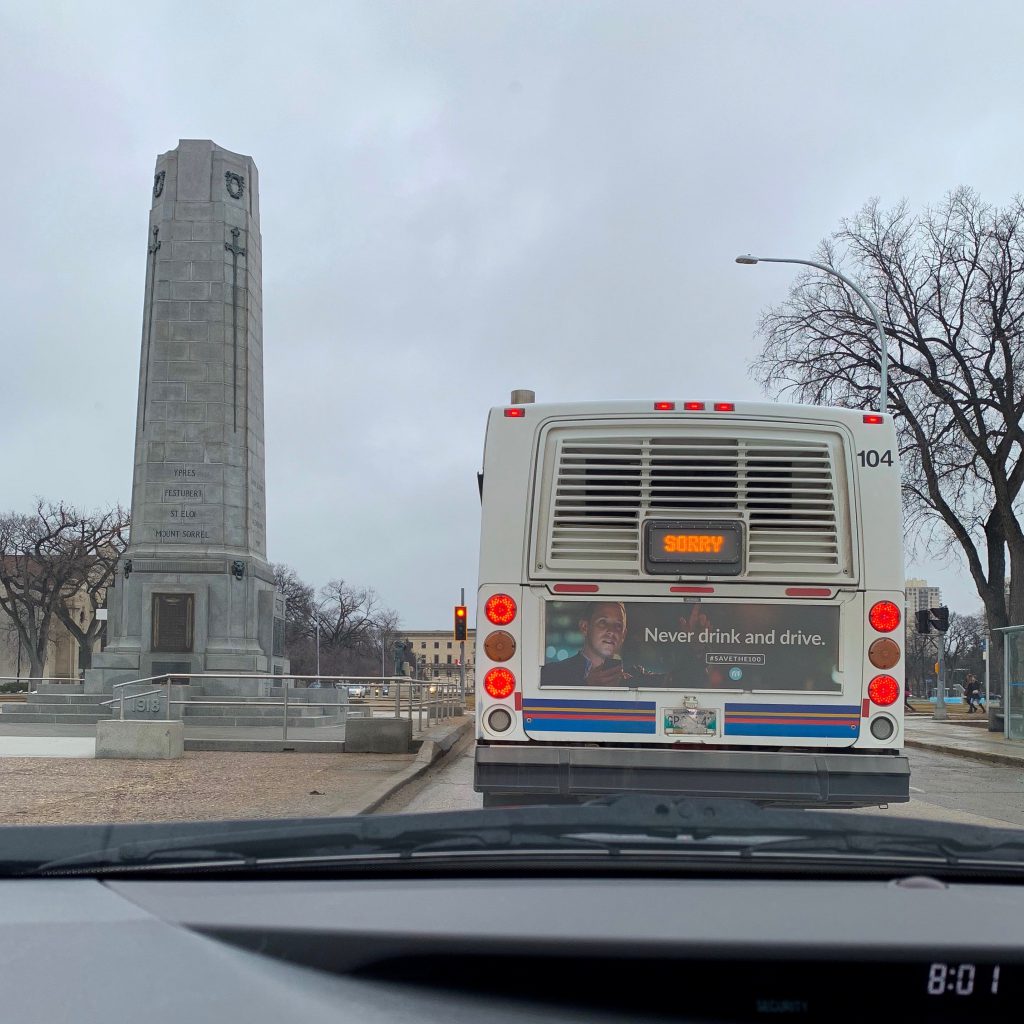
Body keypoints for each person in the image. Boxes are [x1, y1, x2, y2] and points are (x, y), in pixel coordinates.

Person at [541, 602, 657, 686]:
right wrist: (586, 686)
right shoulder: (552, 673)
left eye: (618, 626)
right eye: (603, 622)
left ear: (623, 635)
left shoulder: (636, 675)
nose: (611, 631)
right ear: (585, 627)